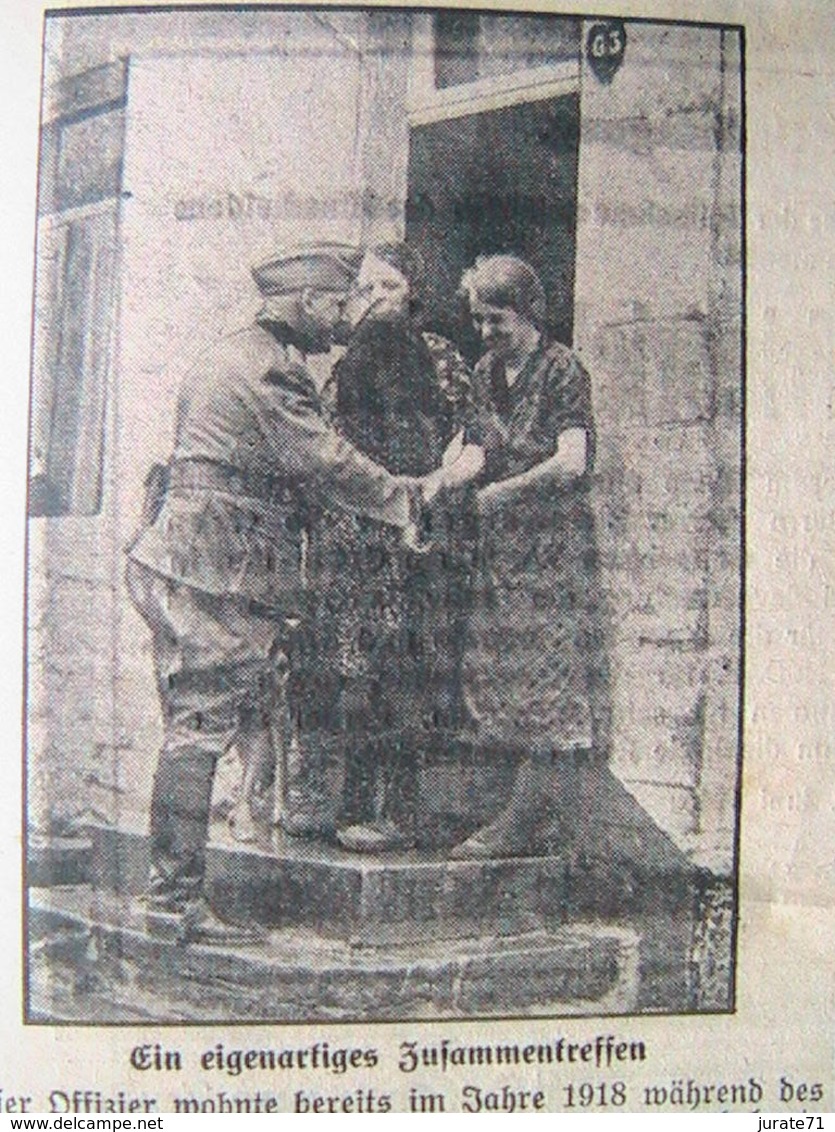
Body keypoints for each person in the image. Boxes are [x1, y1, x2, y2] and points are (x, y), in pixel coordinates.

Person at [125, 243, 476, 943]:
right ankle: (171, 902)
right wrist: (415, 495)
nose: (347, 320)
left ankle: (168, 895)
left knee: (190, 727)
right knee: (200, 730)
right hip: (218, 564)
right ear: (310, 302)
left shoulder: (226, 354)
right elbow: (326, 461)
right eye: (340, 304)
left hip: (183, 555)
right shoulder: (271, 370)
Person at [322, 243, 475, 853]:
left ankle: (404, 810)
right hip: (361, 538)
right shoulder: (346, 363)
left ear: (412, 291)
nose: (375, 297)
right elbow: (332, 446)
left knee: (412, 667)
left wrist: (433, 488)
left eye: (388, 285)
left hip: (422, 531)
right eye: (365, 287)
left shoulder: (440, 358)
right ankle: (353, 804)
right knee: (357, 669)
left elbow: (471, 438)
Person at [449, 254, 603, 859]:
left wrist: (501, 494)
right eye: (479, 321)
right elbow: (476, 450)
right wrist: (435, 486)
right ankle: (517, 812)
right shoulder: (485, 372)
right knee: (498, 668)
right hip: (501, 548)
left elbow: (573, 459)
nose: (487, 333)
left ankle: (527, 820)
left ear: (529, 314)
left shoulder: (564, 370)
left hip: (551, 547)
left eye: (498, 320)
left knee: (546, 672)